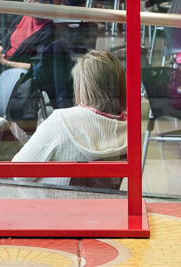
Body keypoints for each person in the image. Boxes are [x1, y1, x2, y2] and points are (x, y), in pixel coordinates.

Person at [12, 50, 127, 188]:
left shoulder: (60, 122)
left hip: (52, 206)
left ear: (82, 86)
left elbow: (18, 174)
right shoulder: (129, 127)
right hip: (104, 207)